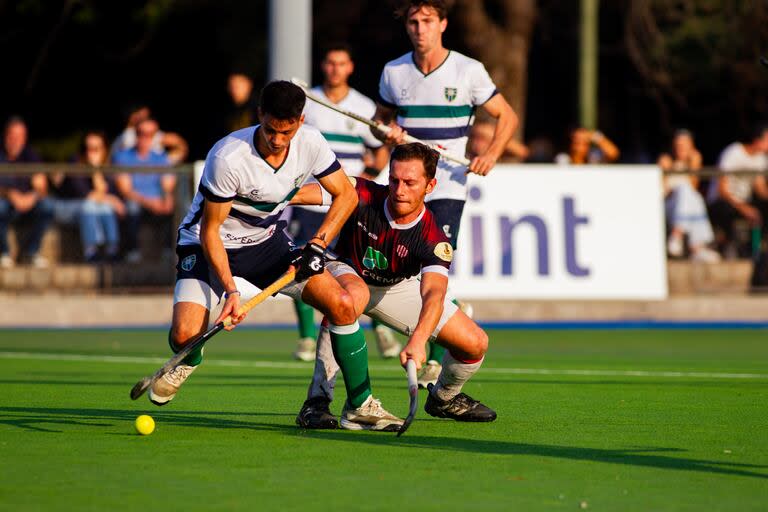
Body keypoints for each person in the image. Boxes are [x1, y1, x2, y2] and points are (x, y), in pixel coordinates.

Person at [149, 81, 404, 431]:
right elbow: (211, 232)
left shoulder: (310, 142)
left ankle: (360, 405)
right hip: (207, 246)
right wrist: (232, 291)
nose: (278, 140)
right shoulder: (229, 157)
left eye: (287, 131)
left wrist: (317, 243)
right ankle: (190, 357)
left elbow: (345, 195)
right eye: (270, 130)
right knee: (183, 335)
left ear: (300, 121)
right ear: (259, 116)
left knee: (343, 305)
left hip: (266, 243)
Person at [292, 143, 496, 430]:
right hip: (344, 269)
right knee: (348, 298)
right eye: (394, 180)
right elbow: (309, 193)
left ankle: (444, 398)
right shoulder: (364, 193)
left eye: (410, 183)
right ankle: (317, 402)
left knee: (475, 343)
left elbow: (434, 294)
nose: (399, 190)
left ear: (430, 185)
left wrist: (417, 341)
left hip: (395, 289)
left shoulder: (433, 238)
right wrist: (277, 196)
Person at [373, 0, 518, 387]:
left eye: (427, 22)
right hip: (405, 184)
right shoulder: (394, 72)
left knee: (433, 267)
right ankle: (435, 324)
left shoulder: (467, 70)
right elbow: (379, 122)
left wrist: (490, 154)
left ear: (443, 24)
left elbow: (507, 116)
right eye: (413, 22)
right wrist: (383, 130)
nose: (420, 29)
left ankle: (435, 358)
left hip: (448, 185)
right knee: (398, 267)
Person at [291, 43, 400, 362]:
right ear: (323, 66)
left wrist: (364, 177)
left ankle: (380, 323)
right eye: (330, 62)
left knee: (357, 267)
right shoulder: (308, 102)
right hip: (312, 199)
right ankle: (307, 338)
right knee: (302, 263)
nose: (335, 68)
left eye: (342, 63)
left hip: (350, 202)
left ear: (350, 67)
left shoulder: (364, 106)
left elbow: (379, 149)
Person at [50, 131, 125, 262]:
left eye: (96, 149)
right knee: (91, 206)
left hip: (92, 209)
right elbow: (87, 196)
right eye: (87, 148)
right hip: (66, 207)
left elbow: (104, 192)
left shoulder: (108, 166)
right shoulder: (75, 163)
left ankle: (112, 250)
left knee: (104, 208)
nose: (90, 152)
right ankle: (91, 251)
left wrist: (97, 170)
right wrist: (95, 170)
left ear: (104, 150)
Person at [113, 118, 177, 263]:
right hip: (136, 200)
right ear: (136, 134)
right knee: (132, 207)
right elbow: (125, 189)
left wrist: (166, 199)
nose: (145, 137)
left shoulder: (161, 158)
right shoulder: (122, 156)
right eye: (141, 133)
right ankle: (132, 250)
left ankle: (169, 250)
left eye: (150, 133)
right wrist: (150, 202)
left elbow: (167, 185)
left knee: (176, 207)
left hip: (156, 201)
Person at [658, 129, 720, 263]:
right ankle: (696, 247)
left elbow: (694, 185)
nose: (681, 148)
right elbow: (662, 191)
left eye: (685, 145)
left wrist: (693, 164)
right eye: (678, 145)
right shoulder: (665, 160)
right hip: (667, 205)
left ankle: (678, 236)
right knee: (689, 194)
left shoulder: (694, 159)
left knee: (692, 195)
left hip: (685, 207)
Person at [0, 116, 53, 268]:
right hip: (6, 203)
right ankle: (4, 253)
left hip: (28, 204)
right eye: (13, 136)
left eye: (20, 136)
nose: (16, 140)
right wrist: (10, 194)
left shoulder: (31, 155)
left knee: (48, 206)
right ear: (6, 136)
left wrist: (32, 196)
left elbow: (41, 186)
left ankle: (31, 252)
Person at [707, 124, 768, 257]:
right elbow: (721, 189)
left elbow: (760, 188)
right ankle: (728, 246)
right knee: (728, 210)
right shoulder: (734, 152)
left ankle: (756, 252)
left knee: (761, 209)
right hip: (722, 201)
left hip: (743, 201)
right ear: (758, 140)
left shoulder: (761, 159)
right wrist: (743, 208)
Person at [111, 104, 189, 164]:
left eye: (147, 116)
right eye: (141, 116)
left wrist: (166, 160)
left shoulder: (160, 158)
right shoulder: (127, 136)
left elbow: (178, 143)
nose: (146, 139)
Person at [554, 127, 620, 165]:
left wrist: (595, 136)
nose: (580, 147)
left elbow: (613, 154)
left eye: (584, 143)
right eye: (577, 143)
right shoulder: (563, 159)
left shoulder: (593, 158)